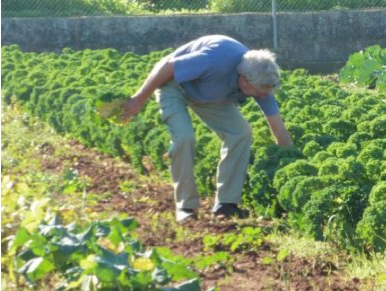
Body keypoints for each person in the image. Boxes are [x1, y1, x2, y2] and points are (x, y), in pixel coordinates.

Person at [120, 34, 292, 222]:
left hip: (211, 95)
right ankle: (185, 207)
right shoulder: (214, 60)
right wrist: (139, 99)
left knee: (241, 133)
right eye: (259, 92)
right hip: (174, 85)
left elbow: (277, 125)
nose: (261, 96)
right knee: (184, 137)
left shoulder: (260, 81)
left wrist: (289, 159)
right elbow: (167, 66)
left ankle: (226, 205)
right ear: (244, 80)